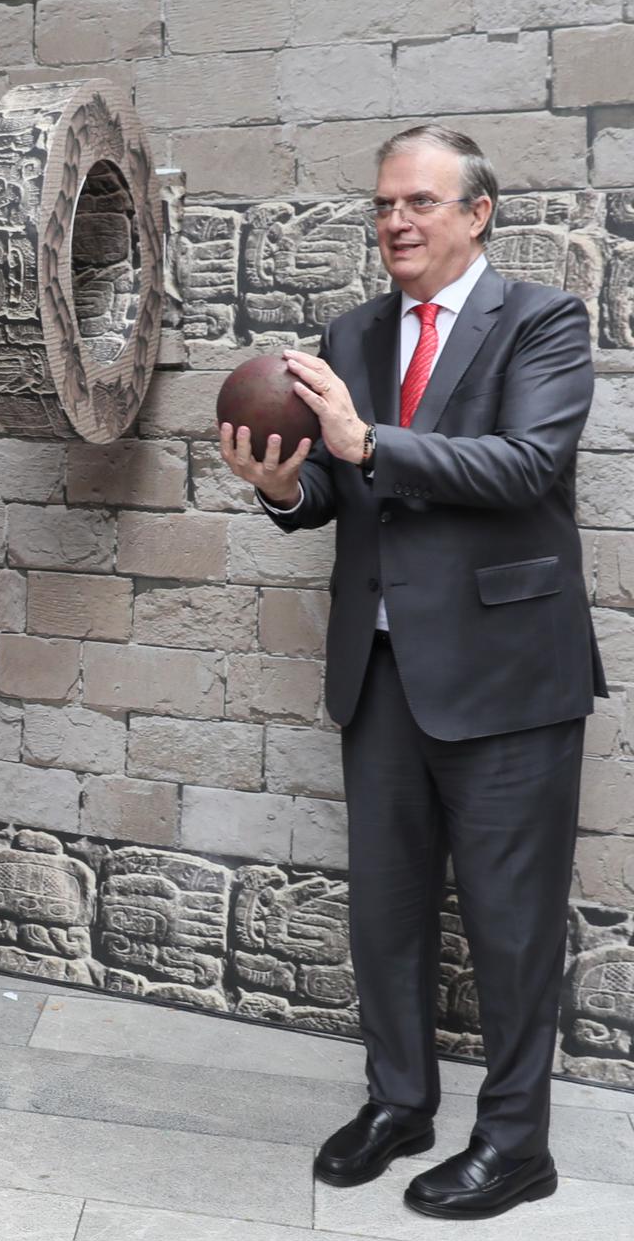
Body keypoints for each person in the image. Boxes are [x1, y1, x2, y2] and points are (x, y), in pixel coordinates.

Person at [220, 124, 601, 1221]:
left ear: (477, 214)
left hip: (507, 678)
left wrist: (364, 442)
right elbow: (333, 495)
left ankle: (517, 1141)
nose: (396, 221)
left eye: (420, 203)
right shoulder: (353, 330)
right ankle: (399, 1103)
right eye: (384, 204)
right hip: (380, 670)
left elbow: (528, 464)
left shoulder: (543, 320)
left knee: (510, 919)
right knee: (385, 909)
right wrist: (282, 484)